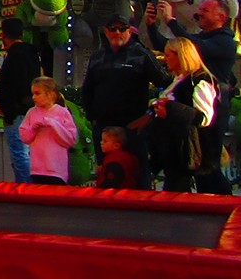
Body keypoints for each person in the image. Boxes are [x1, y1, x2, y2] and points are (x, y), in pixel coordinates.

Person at [80, 15, 162, 173]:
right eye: (113, 28)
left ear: (130, 31)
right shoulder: (97, 57)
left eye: (122, 28)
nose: (117, 32)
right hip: (104, 126)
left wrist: (149, 115)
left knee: (137, 172)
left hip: (132, 127)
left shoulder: (142, 55)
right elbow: (87, 89)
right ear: (106, 31)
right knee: (107, 173)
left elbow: (167, 85)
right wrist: (93, 118)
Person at [147, 37, 218, 194]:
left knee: (178, 191)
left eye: (168, 55)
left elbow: (204, 118)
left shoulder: (199, 80)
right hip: (172, 147)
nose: (164, 59)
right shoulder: (177, 79)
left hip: (187, 150)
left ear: (180, 55)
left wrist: (170, 108)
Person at [0, 17, 50, 185]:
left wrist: (10, 110)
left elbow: (12, 86)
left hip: (17, 113)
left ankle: (27, 188)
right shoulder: (32, 55)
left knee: (20, 155)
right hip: (28, 111)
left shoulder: (14, 56)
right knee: (27, 155)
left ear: (3, 35)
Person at [18, 76, 79, 186]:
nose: (33, 97)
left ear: (50, 94)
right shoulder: (32, 113)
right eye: (33, 94)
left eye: (37, 93)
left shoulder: (62, 113)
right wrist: (33, 129)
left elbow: (70, 140)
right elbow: (24, 137)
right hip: (37, 169)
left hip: (56, 171)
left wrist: (53, 124)